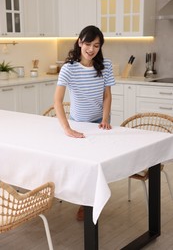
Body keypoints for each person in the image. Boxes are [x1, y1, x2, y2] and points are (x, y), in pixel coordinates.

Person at [54, 25, 115, 220]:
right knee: (81, 167)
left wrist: (105, 119)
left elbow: (107, 96)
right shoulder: (68, 68)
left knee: (97, 166)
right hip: (78, 123)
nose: (91, 49)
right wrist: (67, 129)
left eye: (96, 45)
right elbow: (57, 101)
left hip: (99, 123)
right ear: (80, 42)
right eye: (88, 43)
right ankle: (84, 202)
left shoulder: (105, 65)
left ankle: (90, 203)